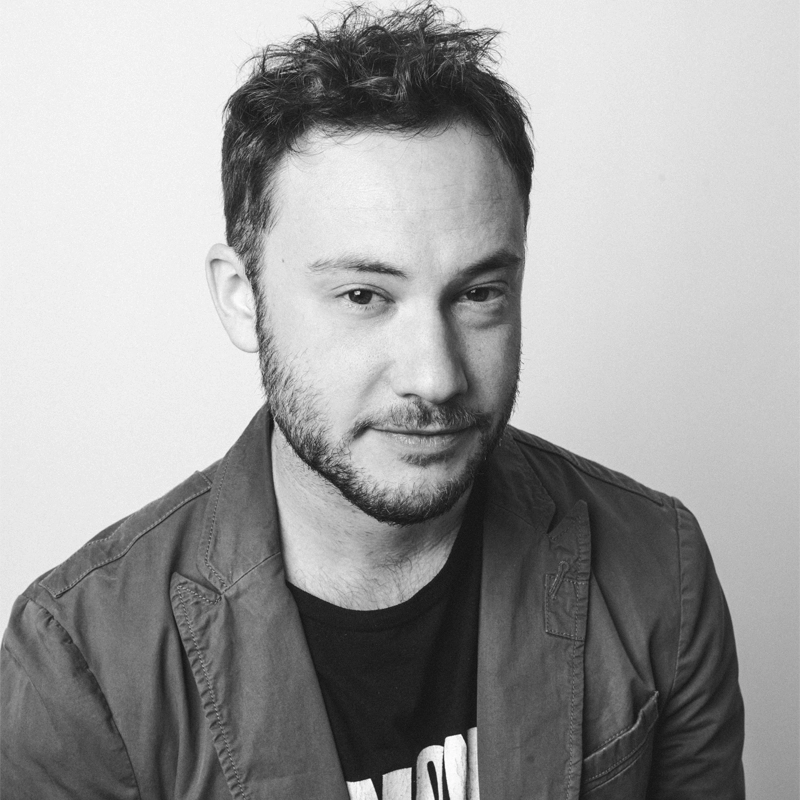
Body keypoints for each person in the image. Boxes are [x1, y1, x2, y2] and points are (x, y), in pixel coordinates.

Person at [0, 4, 745, 798]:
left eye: (479, 292)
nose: (436, 376)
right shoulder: (81, 664)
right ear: (240, 299)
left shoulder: (658, 566)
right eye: (363, 294)